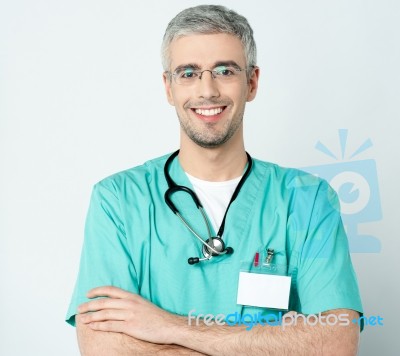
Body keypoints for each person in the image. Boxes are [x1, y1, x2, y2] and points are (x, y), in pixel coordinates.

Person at [66, 5, 363, 355]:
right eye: (188, 73)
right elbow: (103, 347)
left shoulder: (308, 200)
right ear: (168, 87)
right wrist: (272, 344)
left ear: (251, 82)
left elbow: (335, 344)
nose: (207, 91)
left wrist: (166, 326)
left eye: (224, 70)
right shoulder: (117, 200)